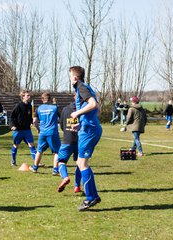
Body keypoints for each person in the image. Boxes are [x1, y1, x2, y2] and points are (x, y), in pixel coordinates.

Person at [69, 66, 102, 211]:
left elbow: (93, 105)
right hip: (88, 128)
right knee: (80, 162)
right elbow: (97, 109)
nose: (70, 79)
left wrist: (77, 114)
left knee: (82, 163)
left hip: (89, 131)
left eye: (70, 76)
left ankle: (90, 198)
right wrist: (82, 123)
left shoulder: (81, 87)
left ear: (75, 78)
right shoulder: (85, 88)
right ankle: (93, 196)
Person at [29, 92, 61, 174]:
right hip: (52, 132)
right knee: (57, 152)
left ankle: (35, 168)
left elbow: (34, 121)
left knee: (39, 151)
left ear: (42, 99)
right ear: (50, 99)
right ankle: (55, 170)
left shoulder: (39, 108)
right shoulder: (55, 107)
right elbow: (61, 118)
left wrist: (38, 129)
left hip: (43, 132)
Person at [56, 100, 82, 193]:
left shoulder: (65, 109)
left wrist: (67, 131)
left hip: (67, 140)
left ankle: (65, 177)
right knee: (80, 163)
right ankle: (77, 186)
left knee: (61, 162)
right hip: (80, 141)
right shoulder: (83, 109)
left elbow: (62, 125)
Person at [9, 90, 37, 166]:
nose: (29, 96)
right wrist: (12, 126)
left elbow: (30, 117)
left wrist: (32, 122)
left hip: (27, 130)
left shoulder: (30, 106)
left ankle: (36, 162)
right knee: (16, 145)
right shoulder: (18, 106)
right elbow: (11, 117)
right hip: (18, 130)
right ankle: (13, 160)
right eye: (27, 95)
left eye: (29, 95)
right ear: (23, 97)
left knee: (31, 145)